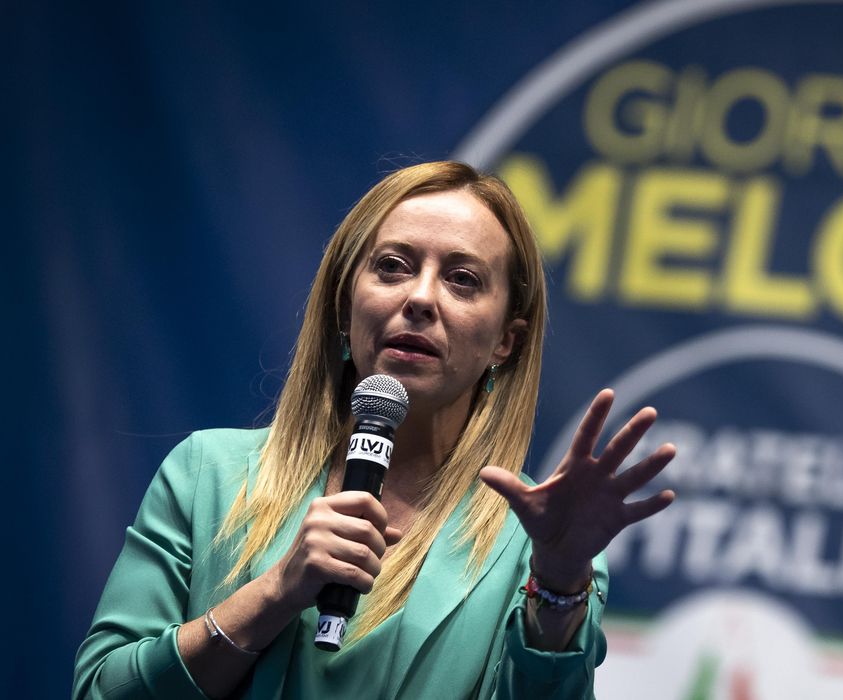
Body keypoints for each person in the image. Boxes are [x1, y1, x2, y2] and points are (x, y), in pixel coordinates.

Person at [73, 161, 677, 699]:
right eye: (393, 267)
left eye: (462, 279)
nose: (419, 298)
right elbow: (101, 690)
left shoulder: (541, 548)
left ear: (505, 342)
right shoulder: (206, 474)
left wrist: (561, 580)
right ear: (344, 306)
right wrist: (275, 593)